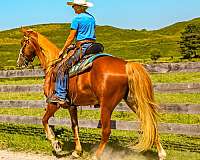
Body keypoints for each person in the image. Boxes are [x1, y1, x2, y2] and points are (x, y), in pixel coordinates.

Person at [47, 0, 96, 104]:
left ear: (80, 7)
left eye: (74, 6)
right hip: (93, 46)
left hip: (83, 47)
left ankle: (61, 95)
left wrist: (63, 50)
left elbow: (71, 37)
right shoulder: (91, 18)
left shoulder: (77, 19)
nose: (73, 8)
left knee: (62, 68)